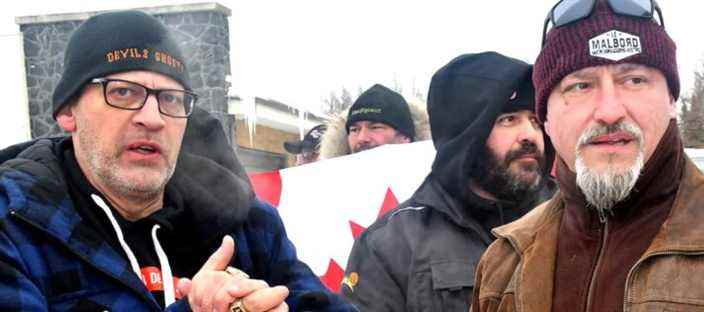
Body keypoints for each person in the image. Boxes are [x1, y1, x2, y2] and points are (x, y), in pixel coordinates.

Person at [0, 10, 352, 311]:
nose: (153, 118)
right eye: (123, 91)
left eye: (171, 99)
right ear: (67, 111)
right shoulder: (16, 226)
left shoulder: (245, 222)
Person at [472, 1, 704, 311]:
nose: (610, 111)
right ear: (547, 120)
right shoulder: (503, 262)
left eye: (634, 80)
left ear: (671, 101)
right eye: (580, 86)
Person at [341, 52, 556, 311]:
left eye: (535, 120)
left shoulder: (577, 218)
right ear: (466, 135)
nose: (530, 135)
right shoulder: (390, 244)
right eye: (507, 120)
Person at [320, 84, 430, 158]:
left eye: (375, 127)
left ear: (405, 137)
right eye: (354, 130)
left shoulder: (437, 185)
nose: (362, 138)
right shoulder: (331, 187)